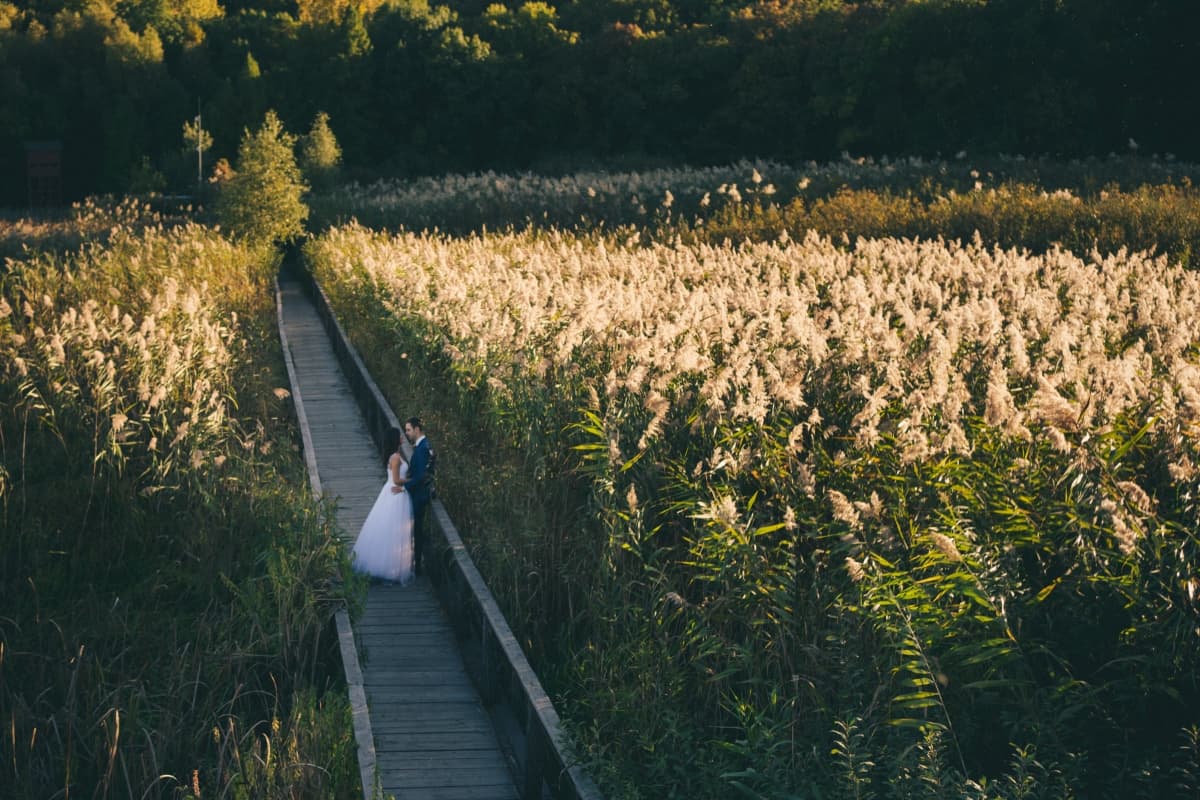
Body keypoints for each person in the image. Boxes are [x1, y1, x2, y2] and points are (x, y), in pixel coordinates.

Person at [351, 426, 414, 583]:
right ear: (396, 439)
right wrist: (412, 480)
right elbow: (397, 480)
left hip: (397, 492)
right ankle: (387, 567)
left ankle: (393, 565)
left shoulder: (397, 456)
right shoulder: (395, 458)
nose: (402, 437)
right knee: (391, 529)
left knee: (393, 530)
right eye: (400, 436)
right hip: (395, 493)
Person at [394, 416, 433, 576]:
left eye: (409, 430)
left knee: (417, 531)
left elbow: (421, 476)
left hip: (419, 497)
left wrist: (404, 488)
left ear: (417, 429)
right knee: (414, 530)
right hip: (416, 494)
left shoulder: (423, 448)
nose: (407, 433)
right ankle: (414, 563)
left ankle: (417, 566)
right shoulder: (422, 446)